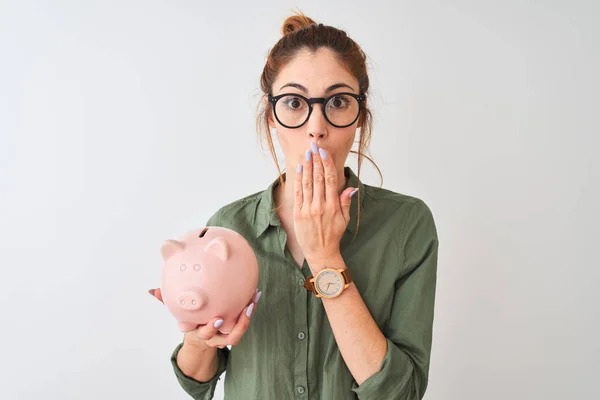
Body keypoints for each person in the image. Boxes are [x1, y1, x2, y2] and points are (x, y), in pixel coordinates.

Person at [150, 11, 439, 400]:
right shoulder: (230, 226)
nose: (316, 126)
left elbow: (400, 393)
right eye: (294, 102)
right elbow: (196, 382)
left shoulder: (407, 224)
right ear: (271, 114)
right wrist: (199, 339)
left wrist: (325, 257)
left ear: (360, 115)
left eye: (337, 101)